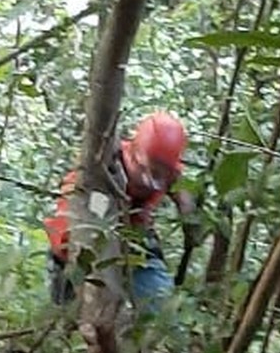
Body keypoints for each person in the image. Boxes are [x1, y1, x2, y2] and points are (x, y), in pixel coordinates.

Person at [44, 112, 197, 314]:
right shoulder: (98, 178)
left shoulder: (167, 171)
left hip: (135, 240)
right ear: (133, 156)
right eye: (147, 171)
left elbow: (177, 182)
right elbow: (68, 238)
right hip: (83, 249)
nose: (151, 182)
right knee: (76, 313)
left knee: (159, 303)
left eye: (161, 174)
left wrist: (187, 210)